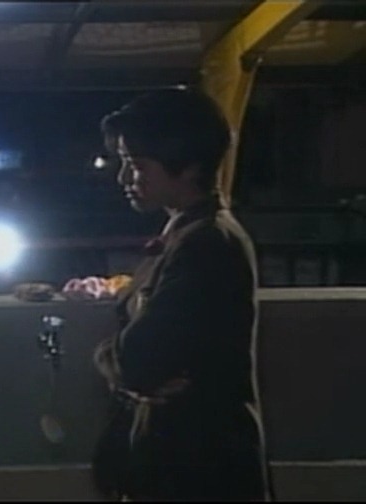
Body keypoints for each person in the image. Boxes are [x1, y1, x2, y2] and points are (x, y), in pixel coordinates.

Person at [91, 87, 271, 501]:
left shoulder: (205, 244)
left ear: (188, 167)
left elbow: (139, 358)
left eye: (136, 165)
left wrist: (111, 359)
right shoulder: (193, 235)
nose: (124, 179)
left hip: (196, 470)